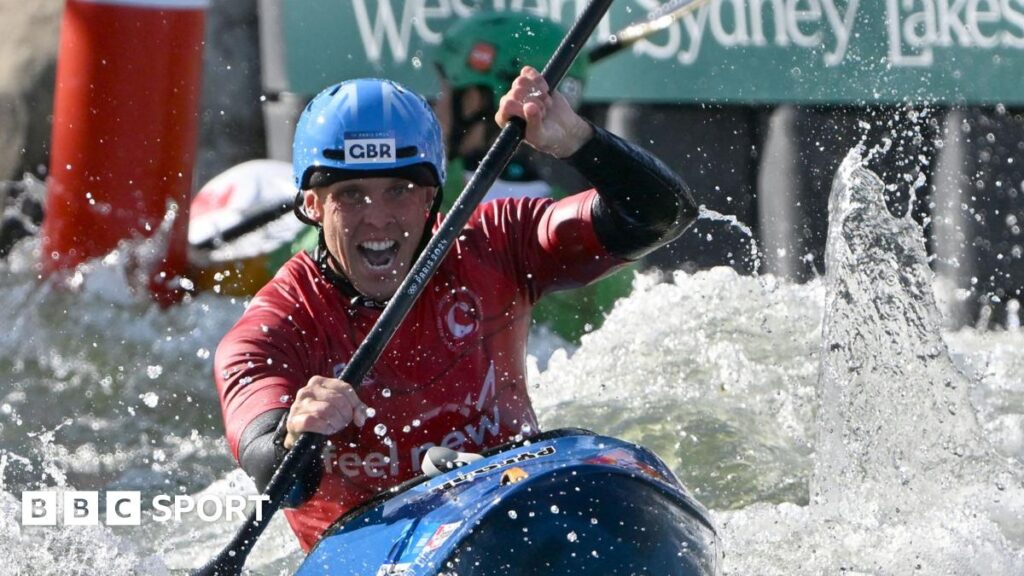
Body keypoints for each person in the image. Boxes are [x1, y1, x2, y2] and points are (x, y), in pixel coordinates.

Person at [214, 69, 697, 551]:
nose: (378, 217)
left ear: (430, 197)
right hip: (379, 549)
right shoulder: (274, 327)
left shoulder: (497, 243)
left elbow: (660, 218)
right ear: (313, 205)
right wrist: (295, 435)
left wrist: (578, 141)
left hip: (512, 516)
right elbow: (272, 472)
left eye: (399, 190)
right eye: (350, 195)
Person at [433, 11, 633, 342]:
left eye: (446, 92)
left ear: (473, 101)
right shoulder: (594, 225)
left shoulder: (414, 205)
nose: (437, 109)